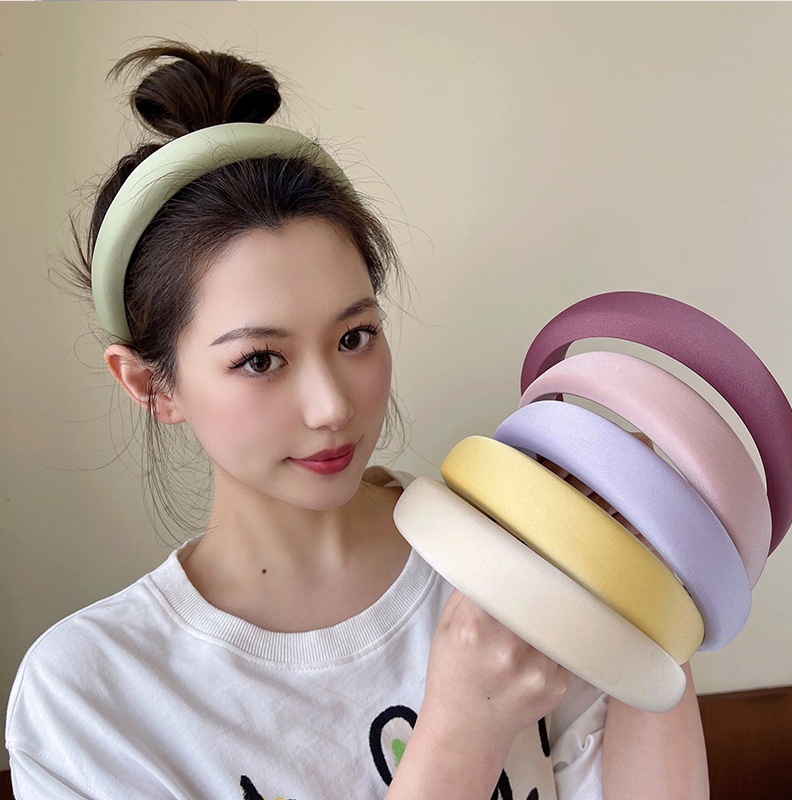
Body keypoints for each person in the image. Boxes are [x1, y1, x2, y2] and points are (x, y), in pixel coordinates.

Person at [5, 42, 708, 800]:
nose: (333, 406)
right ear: (152, 385)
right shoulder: (88, 698)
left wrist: (643, 577)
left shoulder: (515, 565)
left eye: (353, 338)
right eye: (260, 359)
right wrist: (460, 734)